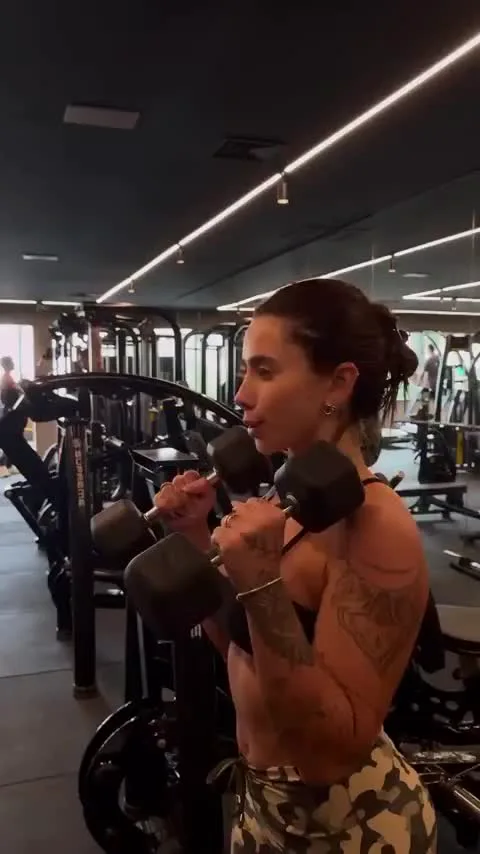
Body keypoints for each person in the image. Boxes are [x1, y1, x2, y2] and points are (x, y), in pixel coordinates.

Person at [153, 278, 436, 853]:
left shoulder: (376, 526)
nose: (241, 394)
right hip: (264, 810)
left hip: (350, 829)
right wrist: (196, 537)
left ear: (338, 383)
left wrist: (262, 586)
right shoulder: (285, 501)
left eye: (265, 370)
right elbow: (243, 653)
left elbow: (330, 756)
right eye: (245, 371)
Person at [0, 356, 21, 477]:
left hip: (10, 411)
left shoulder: (8, 378)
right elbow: (6, 398)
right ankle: (6, 465)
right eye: (11, 362)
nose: (13, 364)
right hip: (10, 412)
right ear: (7, 364)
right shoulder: (6, 379)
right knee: (12, 439)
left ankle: (8, 464)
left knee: (13, 440)